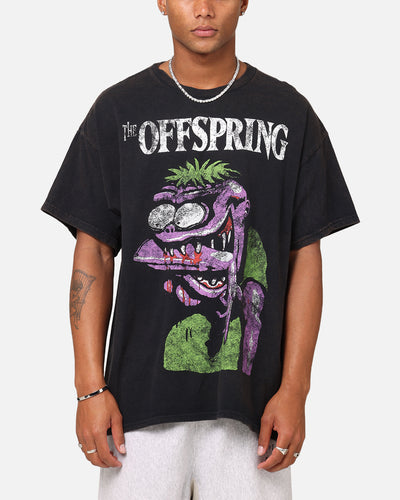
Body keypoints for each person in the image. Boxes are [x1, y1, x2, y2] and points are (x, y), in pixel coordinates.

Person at [41, 1, 360, 498]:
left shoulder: (288, 114)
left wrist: (295, 389)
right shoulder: (119, 111)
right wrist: (89, 388)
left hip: (253, 415)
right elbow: (94, 251)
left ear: (245, 2)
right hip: (135, 414)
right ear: (162, 2)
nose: (205, 8)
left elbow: (304, 258)